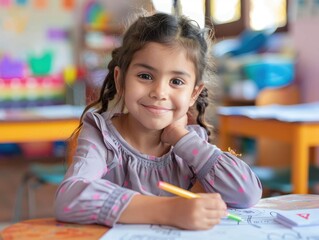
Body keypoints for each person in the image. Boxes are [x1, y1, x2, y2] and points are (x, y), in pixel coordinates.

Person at [55, 12, 262, 231]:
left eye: (176, 81)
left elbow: (246, 194)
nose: (159, 92)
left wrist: (182, 139)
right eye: (145, 76)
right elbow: (68, 200)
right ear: (120, 79)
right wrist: (170, 210)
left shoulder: (190, 142)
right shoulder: (102, 135)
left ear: (193, 93)